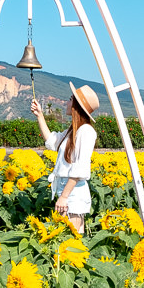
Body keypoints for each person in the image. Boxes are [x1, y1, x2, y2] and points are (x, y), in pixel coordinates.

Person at [31, 82, 99, 234]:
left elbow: (80, 168)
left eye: (70, 99)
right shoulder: (73, 131)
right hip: (66, 190)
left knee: (69, 242)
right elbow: (52, 142)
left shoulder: (86, 131)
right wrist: (40, 115)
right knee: (68, 240)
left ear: (76, 105)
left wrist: (64, 196)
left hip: (72, 192)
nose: (67, 103)